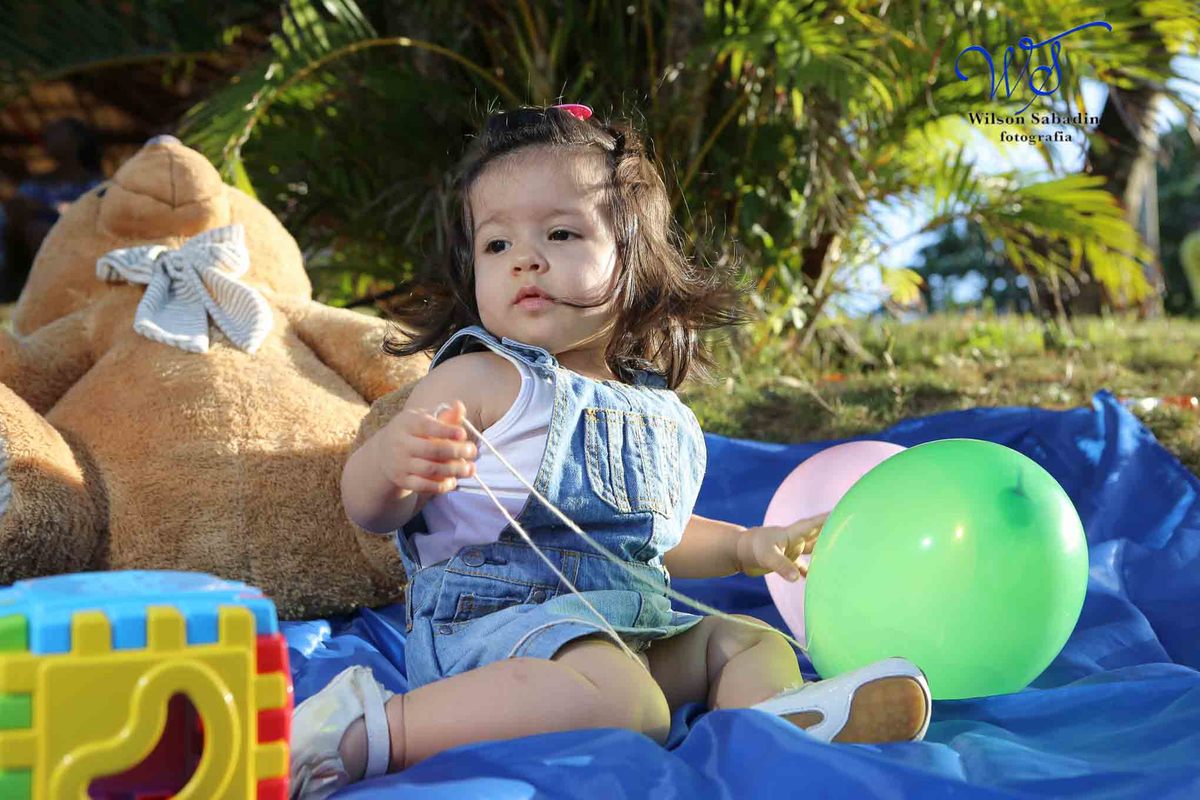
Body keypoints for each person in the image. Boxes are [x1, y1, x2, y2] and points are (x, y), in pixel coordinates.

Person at [289, 104, 931, 799]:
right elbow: (370, 510)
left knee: (747, 640)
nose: (526, 258)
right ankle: (375, 729)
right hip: (495, 637)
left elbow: (655, 536)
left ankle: (777, 726)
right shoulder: (479, 378)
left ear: (635, 259)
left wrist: (746, 547)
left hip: (632, 624)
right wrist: (392, 466)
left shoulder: (661, 410)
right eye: (496, 246)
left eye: (560, 233)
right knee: (630, 705)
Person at [1, 117, 104, 301]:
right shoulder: (34, 185)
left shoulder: (98, 185)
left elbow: (98, 218)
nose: (47, 136)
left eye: (56, 132)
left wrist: (46, 209)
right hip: (25, 253)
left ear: (77, 140)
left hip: (80, 251)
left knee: (38, 231)